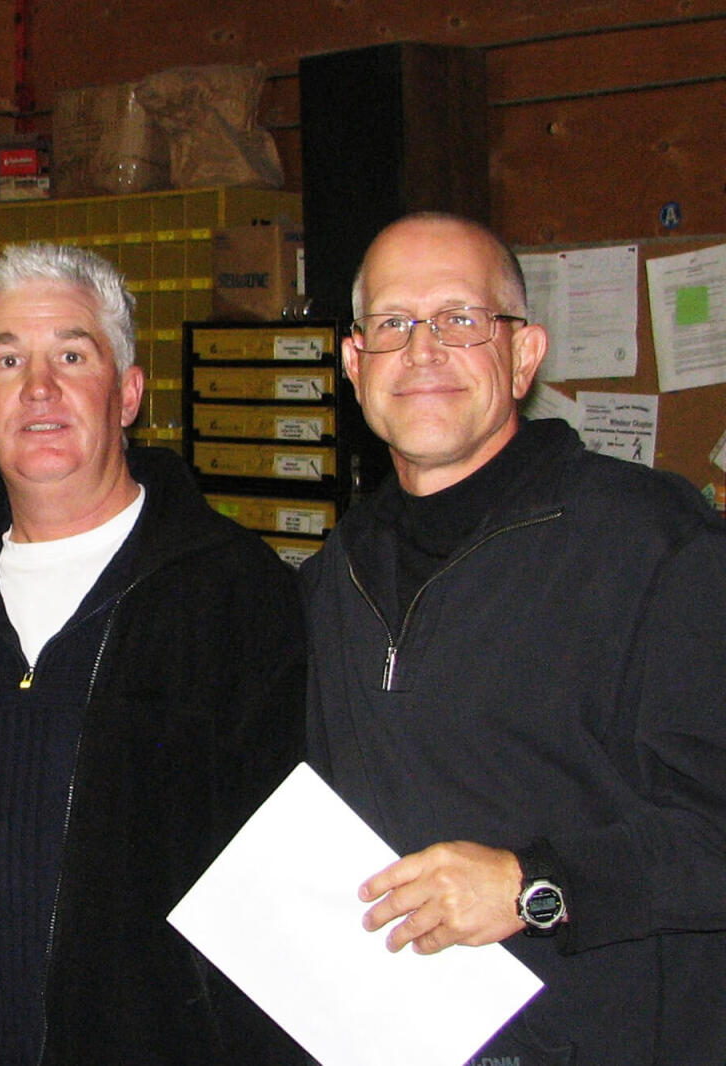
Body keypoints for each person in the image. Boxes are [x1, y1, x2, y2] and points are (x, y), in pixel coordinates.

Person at [0, 242, 307, 1064]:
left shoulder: (238, 594)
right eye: (8, 358)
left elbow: (290, 880)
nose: (40, 387)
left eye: (72, 354)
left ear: (127, 394)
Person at [303, 212, 726, 1063]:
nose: (423, 350)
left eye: (461, 318)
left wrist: (536, 884)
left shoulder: (657, 546)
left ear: (524, 354)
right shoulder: (330, 578)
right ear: (355, 365)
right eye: (393, 324)